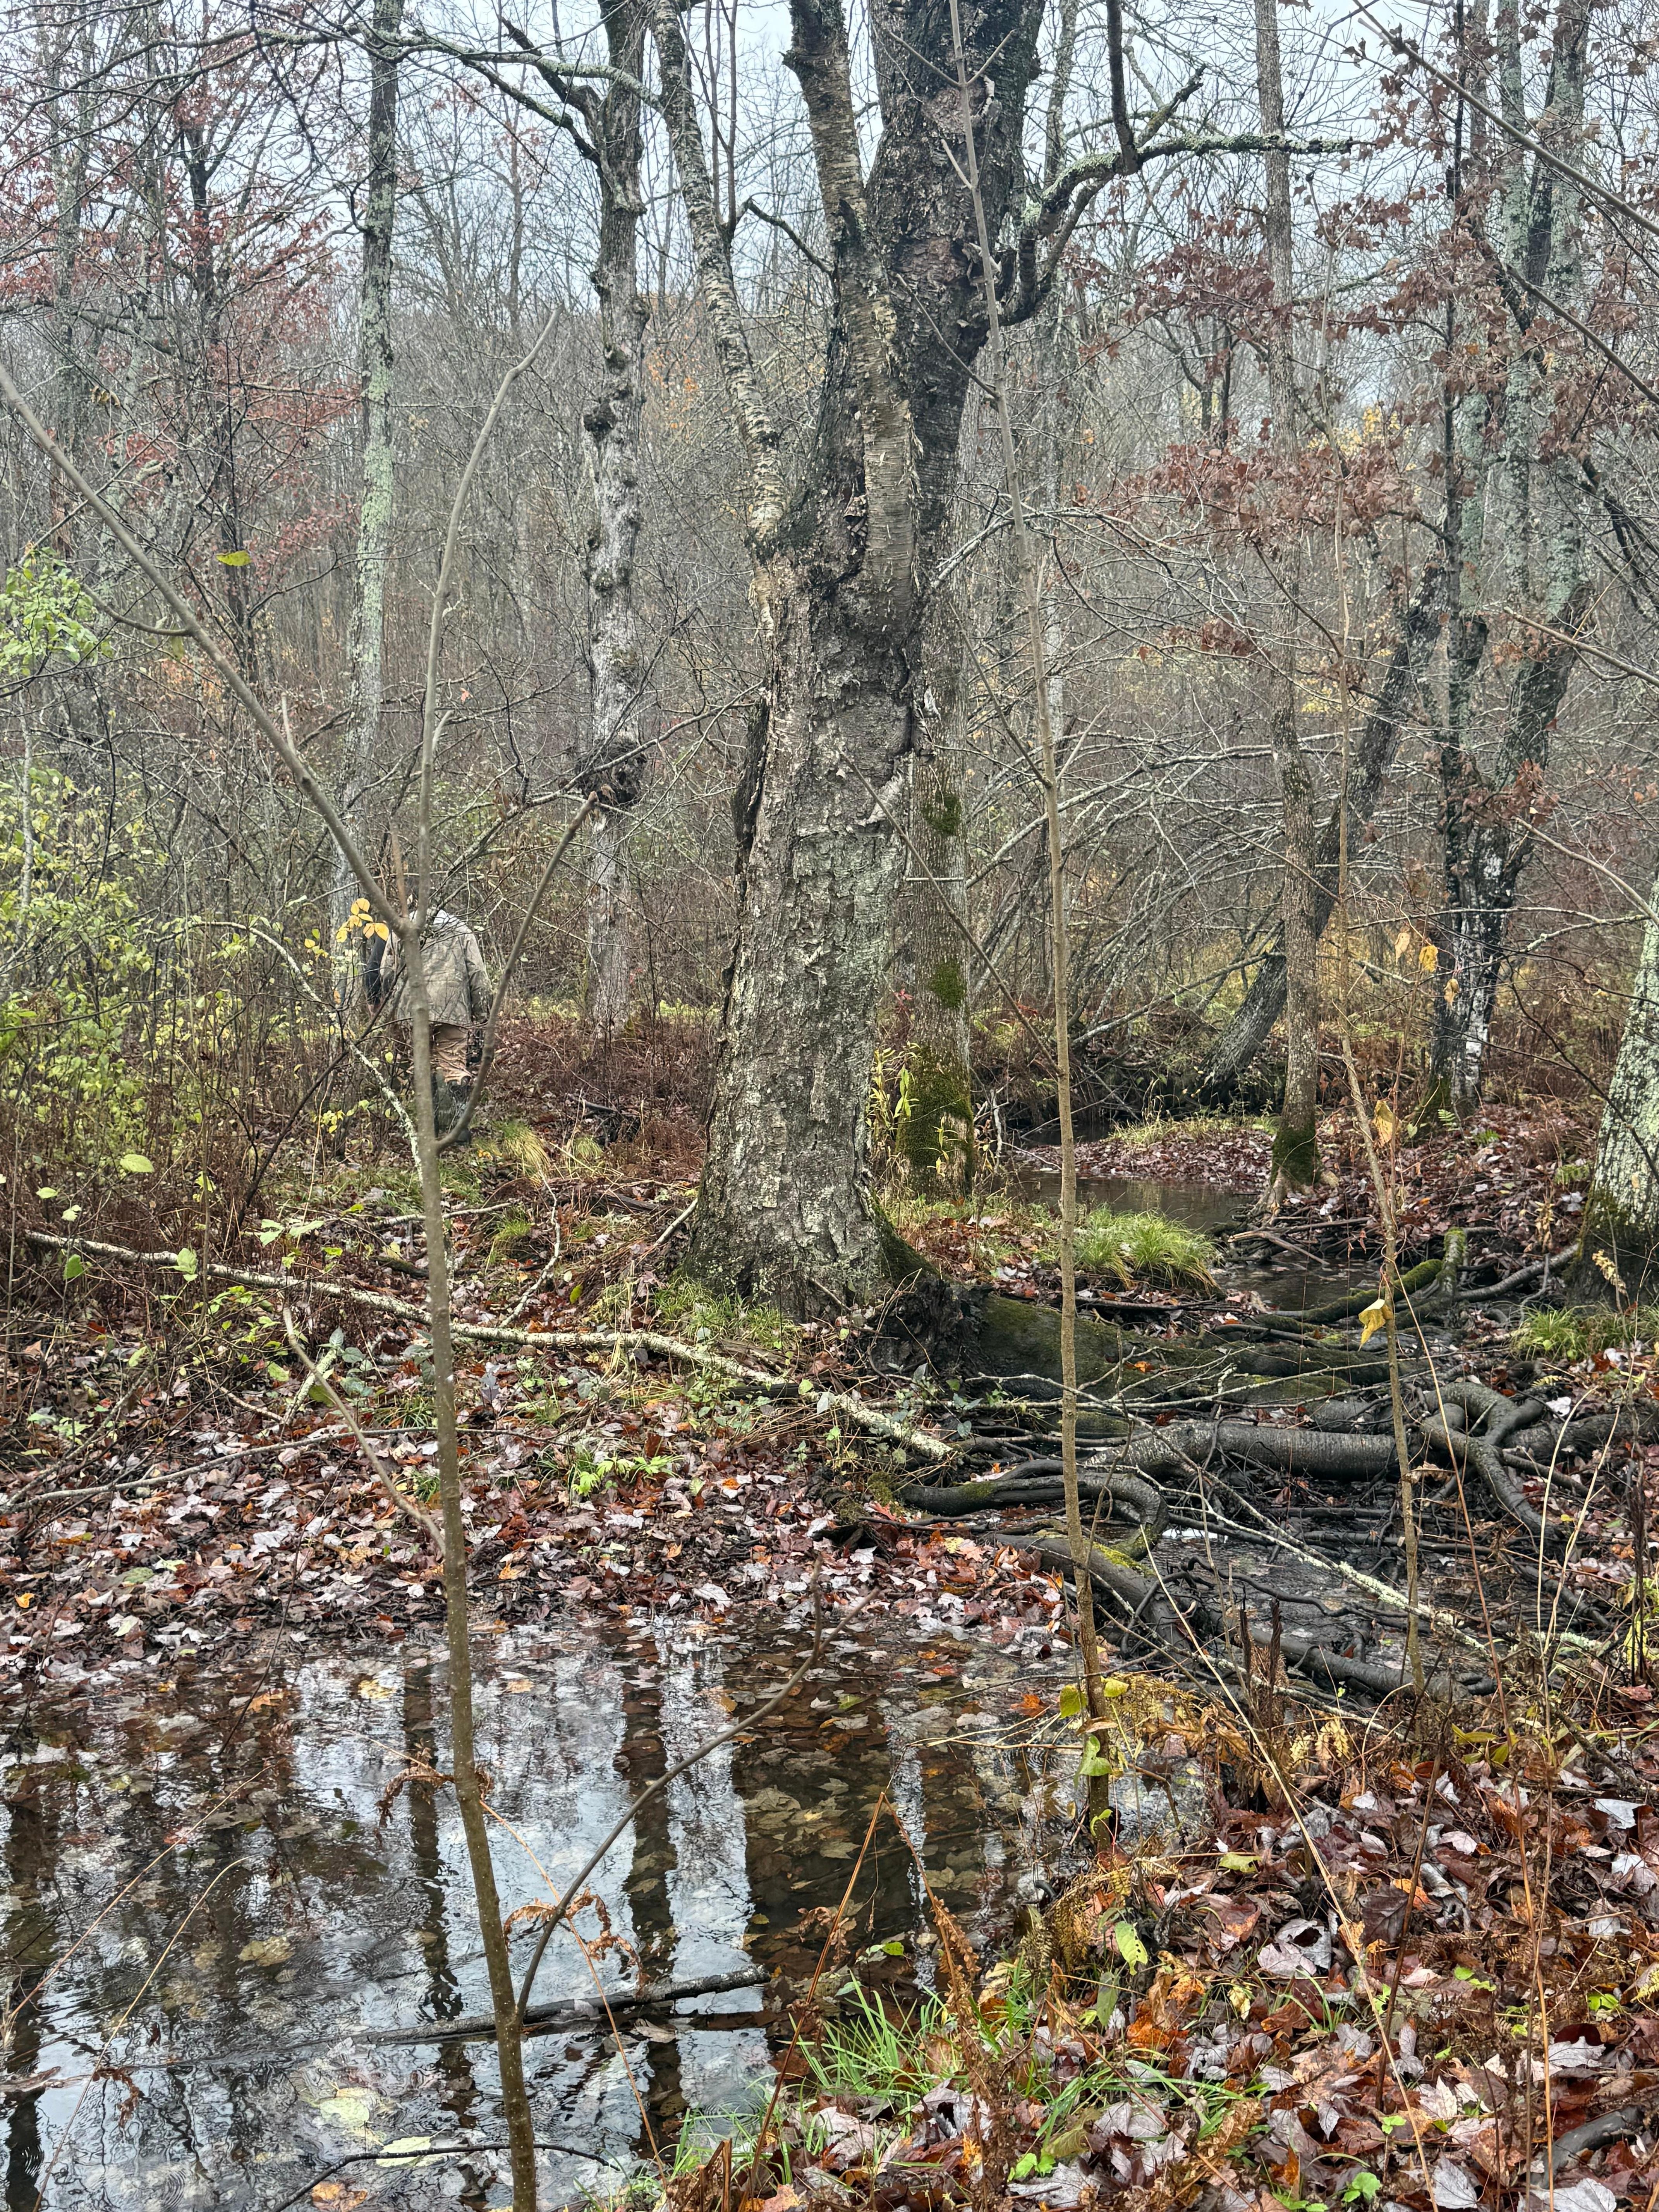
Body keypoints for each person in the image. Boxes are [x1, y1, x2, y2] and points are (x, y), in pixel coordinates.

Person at [365, 908, 492, 1137]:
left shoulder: (400, 930)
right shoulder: (461, 929)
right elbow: (478, 976)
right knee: (454, 1065)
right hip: (453, 1007)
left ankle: (429, 1128)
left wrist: (391, 1011)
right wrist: (482, 1015)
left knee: (422, 1064)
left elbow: (385, 973)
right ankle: (459, 1130)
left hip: (412, 1009)